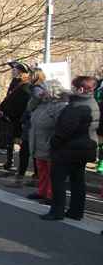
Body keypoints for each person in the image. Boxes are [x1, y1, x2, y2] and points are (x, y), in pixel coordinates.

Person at [41, 76, 100, 221]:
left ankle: (57, 211)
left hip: (68, 149)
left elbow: (64, 130)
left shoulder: (76, 106)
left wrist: (54, 142)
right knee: (78, 180)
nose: (71, 89)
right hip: (84, 148)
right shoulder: (92, 102)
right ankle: (76, 211)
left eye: (74, 87)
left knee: (59, 180)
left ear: (80, 89)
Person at [28, 80, 67, 204]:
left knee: (52, 171)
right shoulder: (41, 103)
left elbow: (59, 125)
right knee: (42, 169)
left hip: (49, 141)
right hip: (38, 140)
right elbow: (29, 107)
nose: (41, 92)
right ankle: (42, 191)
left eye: (44, 89)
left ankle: (51, 194)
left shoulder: (60, 105)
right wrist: (36, 97)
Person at [0, 62, 32, 171]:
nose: (13, 71)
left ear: (22, 72)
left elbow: (22, 104)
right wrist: (1, 108)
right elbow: (8, 98)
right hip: (9, 117)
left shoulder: (27, 86)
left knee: (21, 142)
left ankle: (22, 167)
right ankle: (9, 161)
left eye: (15, 69)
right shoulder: (15, 82)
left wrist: (12, 114)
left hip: (18, 118)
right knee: (9, 141)